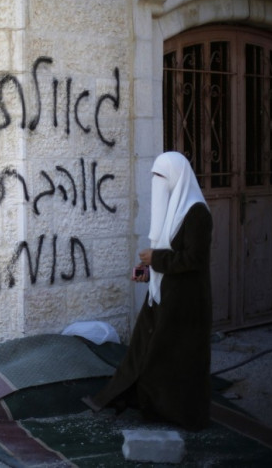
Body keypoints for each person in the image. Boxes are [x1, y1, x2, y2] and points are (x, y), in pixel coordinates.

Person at [83, 151, 213, 431]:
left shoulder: (197, 214)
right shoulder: (172, 211)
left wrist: (156, 261)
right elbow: (159, 249)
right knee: (142, 351)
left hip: (185, 302)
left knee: (172, 357)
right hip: (162, 295)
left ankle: (176, 414)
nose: (157, 183)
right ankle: (130, 400)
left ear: (177, 177)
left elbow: (193, 259)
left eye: (161, 177)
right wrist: (145, 271)